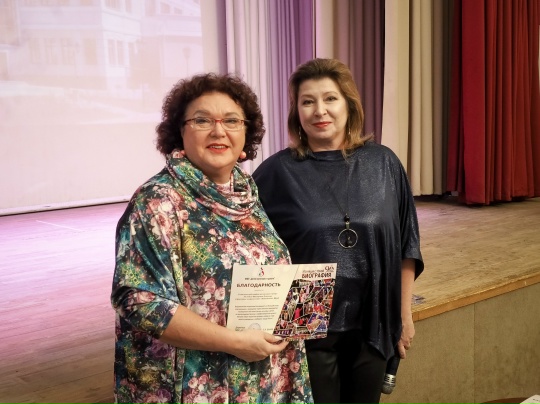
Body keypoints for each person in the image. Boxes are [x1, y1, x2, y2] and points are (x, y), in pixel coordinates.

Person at [111, 73, 313, 404]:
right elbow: (141, 301)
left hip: (259, 374)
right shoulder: (158, 200)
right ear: (180, 131)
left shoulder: (245, 192)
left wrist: (300, 314)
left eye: (231, 121)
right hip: (196, 385)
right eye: (203, 120)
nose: (219, 131)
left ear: (246, 133)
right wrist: (235, 342)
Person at [252, 58, 424, 404]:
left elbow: (407, 245)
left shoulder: (383, 163)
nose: (320, 110)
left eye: (330, 98)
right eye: (307, 101)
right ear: (296, 111)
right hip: (306, 315)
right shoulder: (276, 173)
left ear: (349, 104)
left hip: (374, 313)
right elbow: (252, 251)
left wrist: (403, 314)